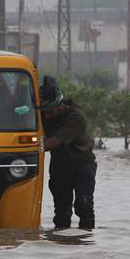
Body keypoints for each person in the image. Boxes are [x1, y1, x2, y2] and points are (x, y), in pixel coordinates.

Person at [41, 76, 97, 230]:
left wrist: (27, 147)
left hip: (82, 165)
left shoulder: (76, 116)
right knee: (62, 212)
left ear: (59, 105)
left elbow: (54, 142)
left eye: (49, 112)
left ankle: (85, 241)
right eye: (44, 113)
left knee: (84, 206)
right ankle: (61, 245)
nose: (46, 117)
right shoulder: (45, 114)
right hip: (60, 167)